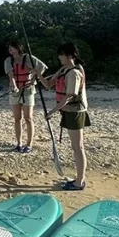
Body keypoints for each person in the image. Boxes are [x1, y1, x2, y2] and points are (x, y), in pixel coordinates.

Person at [35, 43, 89, 190]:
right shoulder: (64, 70)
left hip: (75, 112)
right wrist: (38, 74)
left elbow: (69, 97)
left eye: (62, 55)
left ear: (70, 56)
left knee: (78, 147)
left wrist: (51, 112)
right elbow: (47, 84)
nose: (59, 57)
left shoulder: (74, 73)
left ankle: (79, 182)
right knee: (76, 146)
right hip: (67, 112)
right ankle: (79, 178)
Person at [4, 39, 47, 154]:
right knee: (17, 118)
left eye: (12, 48)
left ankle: (29, 144)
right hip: (15, 92)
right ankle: (19, 143)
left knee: (28, 118)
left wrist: (34, 79)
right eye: (9, 48)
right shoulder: (9, 60)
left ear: (18, 48)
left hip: (28, 90)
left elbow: (42, 67)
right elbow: (11, 75)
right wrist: (14, 85)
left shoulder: (28, 58)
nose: (10, 50)